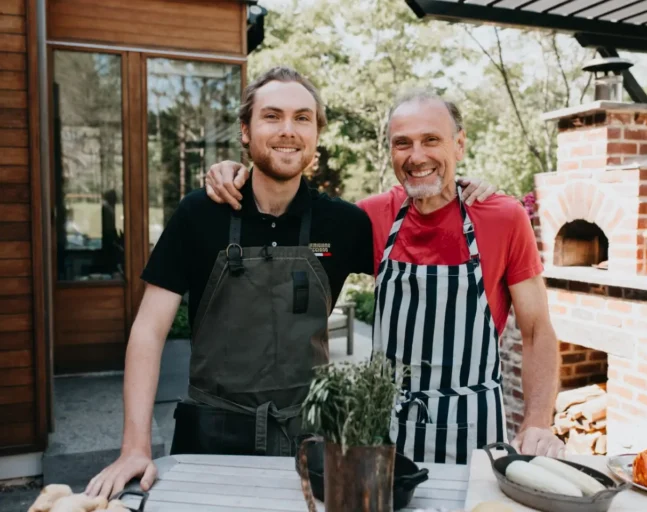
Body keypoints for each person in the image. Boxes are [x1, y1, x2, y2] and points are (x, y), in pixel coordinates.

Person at [85, 67, 495, 500]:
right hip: (209, 432)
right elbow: (149, 331)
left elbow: (423, 234)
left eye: (302, 118)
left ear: (316, 134)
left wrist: (457, 186)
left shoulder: (346, 223)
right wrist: (135, 447)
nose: (288, 130)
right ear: (245, 131)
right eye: (272, 116)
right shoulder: (199, 215)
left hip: (312, 442)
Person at [204, 90, 564, 464]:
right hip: (384, 433)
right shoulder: (370, 218)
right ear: (390, 150)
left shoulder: (503, 217)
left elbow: (537, 328)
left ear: (459, 145)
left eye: (431, 140)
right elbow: (284, 209)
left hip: (473, 432)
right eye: (402, 143)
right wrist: (236, 172)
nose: (417, 156)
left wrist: (537, 421)